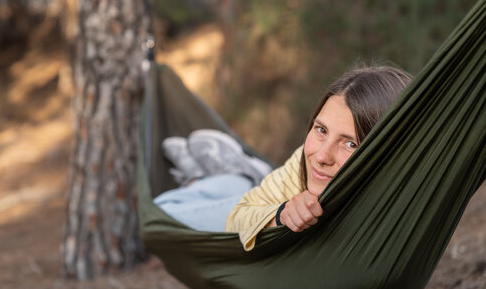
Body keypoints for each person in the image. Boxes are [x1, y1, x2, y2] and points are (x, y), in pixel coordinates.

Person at [155, 65, 411, 251]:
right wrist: (279, 215)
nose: (321, 156)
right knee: (162, 214)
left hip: (265, 191)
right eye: (320, 130)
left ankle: (232, 177)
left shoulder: (397, 202)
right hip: (269, 196)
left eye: (350, 143)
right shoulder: (303, 162)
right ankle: (237, 176)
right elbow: (237, 219)